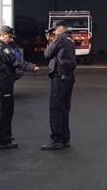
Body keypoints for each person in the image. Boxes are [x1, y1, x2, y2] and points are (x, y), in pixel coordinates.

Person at [0, 25, 39, 149]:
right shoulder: (2, 48)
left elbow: (15, 54)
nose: (11, 39)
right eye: (9, 37)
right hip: (3, 81)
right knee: (5, 110)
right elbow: (16, 61)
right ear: (3, 34)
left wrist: (11, 43)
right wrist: (32, 67)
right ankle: (3, 140)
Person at [41, 20, 77, 150]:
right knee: (64, 109)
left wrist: (51, 41)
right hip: (69, 77)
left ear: (61, 28)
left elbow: (47, 54)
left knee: (56, 109)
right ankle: (65, 138)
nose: (54, 32)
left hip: (59, 77)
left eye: (55, 29)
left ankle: (56, 139)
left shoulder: (60, 38)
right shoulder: (70, 38)